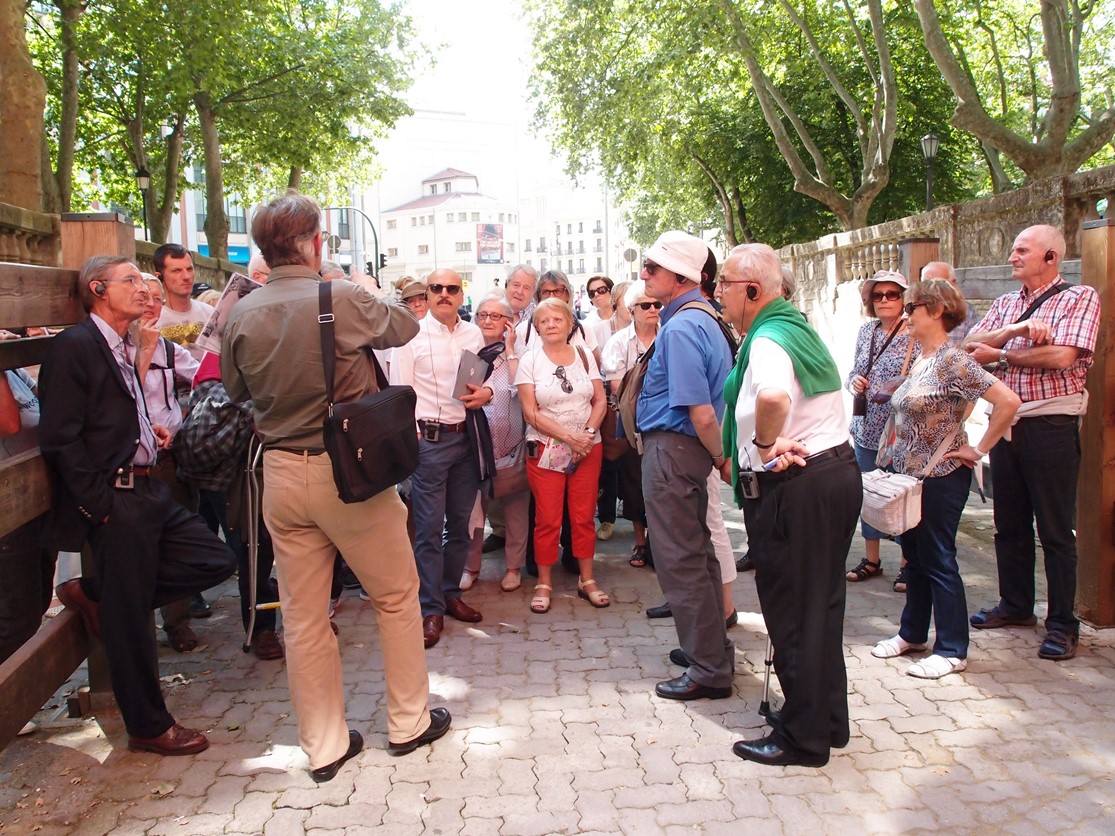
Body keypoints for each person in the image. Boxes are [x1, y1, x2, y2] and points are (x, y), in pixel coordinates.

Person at [221, 193, 449, 781]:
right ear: (315, 243)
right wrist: (353, 285)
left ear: (262, 249)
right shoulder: (340, 297)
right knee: (396, 596)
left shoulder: (242, 311)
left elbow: (236, 392)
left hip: (279, 472)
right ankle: (407, 721)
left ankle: (323, 747)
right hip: (348, 471)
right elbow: (403, 325)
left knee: (301, 616)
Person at [40, 256, 236, 756]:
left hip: (150, 488)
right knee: (129, 624)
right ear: (99, 288)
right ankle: (149, 726)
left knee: (213, 558)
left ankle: (99, 592)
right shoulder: (75, 346)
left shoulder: (126, 345)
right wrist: (99, 507)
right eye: (131, 281)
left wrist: (150, 433)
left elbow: (118, 413)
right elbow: (61, 439)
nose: (143, 291)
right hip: (116, 500)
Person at [719, 243, 860, 767]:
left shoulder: (769, 338)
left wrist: (760, 445)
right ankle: (823, 719)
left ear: (752, 291)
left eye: (725, 284)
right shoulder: (792, 326)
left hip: (798, 484)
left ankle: (802, 739)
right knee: (818, 608)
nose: (720, 295)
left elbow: (774, 399)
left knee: (795, 612)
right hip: (830, 476)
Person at [963, 224, 1100, 661]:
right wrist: (1015, 330)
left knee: (1056, 530)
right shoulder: (1005, 304)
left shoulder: (1080, 299)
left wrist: (1001, 353)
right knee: (1010, 524)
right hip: (1006, 426)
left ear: (1051, 257)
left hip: (1050, 426)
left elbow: (1063, 356)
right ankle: (1017, 605)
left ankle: (1062, 624)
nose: (1012, 256)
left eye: (1022, 250)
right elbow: (968, 346)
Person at [870, 280, 1020, 679]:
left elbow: (1008, 401)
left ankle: (953, 648)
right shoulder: (924, 358)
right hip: (913, 476)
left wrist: (979, 449)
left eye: (913, 305)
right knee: (915, 557)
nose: (906, 312)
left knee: (938, 558)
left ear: (936, 310)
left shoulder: (953, 360)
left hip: (941, 475)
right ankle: (912, 633)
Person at [636, 231, 733, 703]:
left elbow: (700, 410)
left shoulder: (681, 327)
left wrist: (721, 457)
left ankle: (709, 667)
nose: (643, 274)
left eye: (652, 268)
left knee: (681, 560)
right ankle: (712, 650)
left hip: (672, 451)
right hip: (684, 452)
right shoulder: (704, 318)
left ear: (679, 277)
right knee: (699, 554)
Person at [390, 268, 492, 650]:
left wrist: (486, 394)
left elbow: (481, 384)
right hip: (429, 442)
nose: (445, 294)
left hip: (466, 439)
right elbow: (400, 392)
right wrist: (413, 440)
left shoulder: (473, 333)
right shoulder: (410, 335)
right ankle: (430, 608)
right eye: (437, 288)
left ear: (461, 293)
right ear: (427, 294)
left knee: (461, 524)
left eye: (452, 288)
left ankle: (450, 594)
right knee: (429, 528)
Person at [516, 297, 608, 614]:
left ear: (571, 324)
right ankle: (544, 581)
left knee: (583, 517)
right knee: (547, 519)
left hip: (587, 448)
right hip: (545, 448)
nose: (552, 324)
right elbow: (530, 412)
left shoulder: (583, 354)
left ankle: (587, 579)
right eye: (545, 321)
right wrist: (570, 438)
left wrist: (588, 435)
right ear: (537, 327)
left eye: (558, 319)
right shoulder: (530, 360)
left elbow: (600, 399)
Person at [134, 276, 210, 653]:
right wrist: (143, 352)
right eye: (143, 297)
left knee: (177, 540)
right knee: (140, 546)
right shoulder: (113, 348)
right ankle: (136, 629)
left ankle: (177, 623)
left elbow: (201, 375)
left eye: (156, 299)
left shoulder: (166, 347)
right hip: (130, 464)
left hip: (169, 458)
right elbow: (121, 390)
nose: (150, 305)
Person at [153, 243, 215, 619]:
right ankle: (175, 613)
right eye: (176, 270)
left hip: (205, 425)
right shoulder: (152, 317)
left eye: (189, 268)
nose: (186, 276)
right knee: (172, 517)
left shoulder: (208, 313)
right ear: (160, 274)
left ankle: (193, 588)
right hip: (164, 432)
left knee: (201, 514)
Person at [846, 269, 916, 591]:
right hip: (865, 427)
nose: (885, 300)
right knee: (868, 494)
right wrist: (854, 382)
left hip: (898, 431)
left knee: (900, 495)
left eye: (892, 294)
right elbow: (853, 371)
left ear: (904, 298)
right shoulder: (865, 331)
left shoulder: (914, 333)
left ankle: (908, 564)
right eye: (878, 295)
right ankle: (872, 559)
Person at [460, 295, 529, 592]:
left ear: (507, 323)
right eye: (482, 315)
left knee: (516, 511)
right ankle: (470, 567)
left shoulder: (518, 354)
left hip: (512, 447)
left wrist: (510, 349)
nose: (488, 320)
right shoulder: (469, 352)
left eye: (495, 316)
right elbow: (461, 395)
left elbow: (514, 386)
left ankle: (513, 567)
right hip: (475, 449)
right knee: (474, 513)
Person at [601, 281, 658, 569]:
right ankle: (640, 542)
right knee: (634, 484)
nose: (652, 310)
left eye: (656, 304)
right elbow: (618, 389)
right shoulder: (618, 343)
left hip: (664, 426)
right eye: (645, 305)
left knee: (661, 487)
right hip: (632, 425)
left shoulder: (670, 335)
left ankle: (659, 544)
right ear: (631, 309)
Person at [483, 264, 540, 557]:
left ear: (533, 293)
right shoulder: (492, 311)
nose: (519, 291)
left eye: (526, 287)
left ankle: (520, 543)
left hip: (523, 407)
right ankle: (500, 530)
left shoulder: (536, 322)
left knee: (519, 482)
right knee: (490, 478)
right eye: (515, 284)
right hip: (489, 413)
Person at [921, 261, 979, 343]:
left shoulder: (968, 311)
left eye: (938, 284)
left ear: (953, 283)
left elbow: (973, 344)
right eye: (926, 283)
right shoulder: (915, 309)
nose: (930, 289)